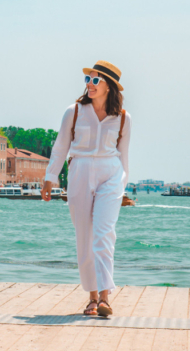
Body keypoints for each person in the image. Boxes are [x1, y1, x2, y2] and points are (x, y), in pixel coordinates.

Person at [42, 60, 131, 317]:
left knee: (104, 233)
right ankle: (92, 298)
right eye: (88, 80)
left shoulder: (123, 118)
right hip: (79, 171)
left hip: (110, 175)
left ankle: (104, 297)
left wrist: (121, 184)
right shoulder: (74, 111)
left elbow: (124, 156)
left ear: (109, 86)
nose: (90, 84)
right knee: (85, 236)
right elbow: (60, 147)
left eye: (96, 80)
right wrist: (51, 177)